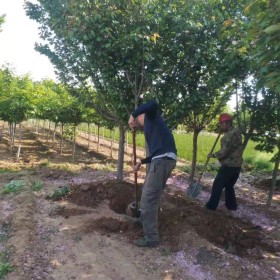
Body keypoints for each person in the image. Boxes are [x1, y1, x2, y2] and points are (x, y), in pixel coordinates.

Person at [128, 100, 177, 247]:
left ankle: (151, 238)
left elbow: (154, 103)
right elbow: (157, 152)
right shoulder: (152, 127)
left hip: (162, 160)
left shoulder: (151, 115)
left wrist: (132, 115)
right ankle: (144, 221)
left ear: (139, 116)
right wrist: (141, 163)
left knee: (149, 198)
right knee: (147, 193)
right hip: (160, 158)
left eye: (135, 124)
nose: (136, 127)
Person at [205, 113, 243, 211]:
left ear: (228, 123)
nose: (221, 126)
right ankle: (231, 206)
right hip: (237, 165)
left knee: (217, 185)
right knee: (229, 185)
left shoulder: (227, 137)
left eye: (222, 124)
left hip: (228, 166)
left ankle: (211, 206)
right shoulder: (237, 131)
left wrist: (212, 155)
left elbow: (223, 152)